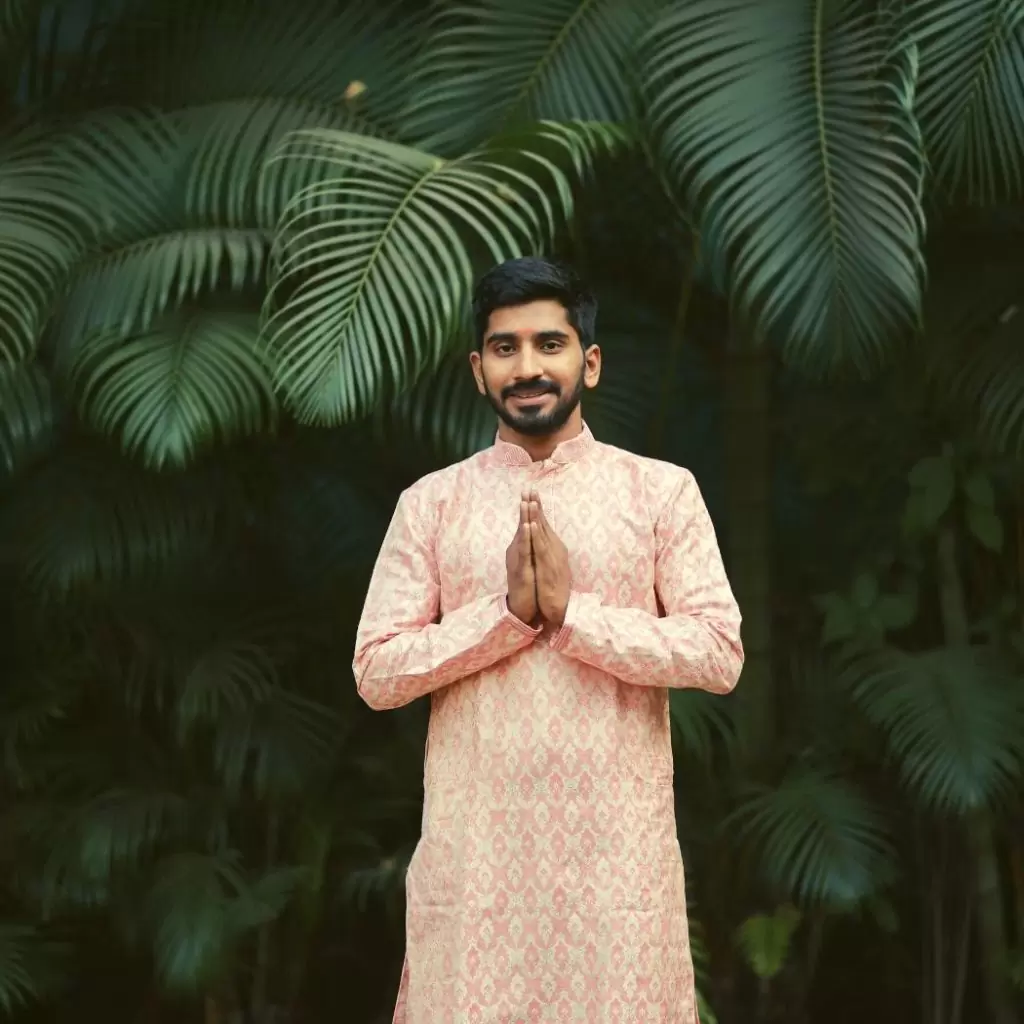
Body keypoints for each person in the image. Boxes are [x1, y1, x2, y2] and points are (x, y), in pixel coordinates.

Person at [353, 257, 744, 1024]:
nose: (527, 367)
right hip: (477, 877)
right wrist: (503, 616)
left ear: (589, 362)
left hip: (614, 876)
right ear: (477, 369)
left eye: (548, 344)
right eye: (505, 348)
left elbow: (717, 650)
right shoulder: (431, 505)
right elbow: (376, 669)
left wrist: (574, 617)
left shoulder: (661, 492)